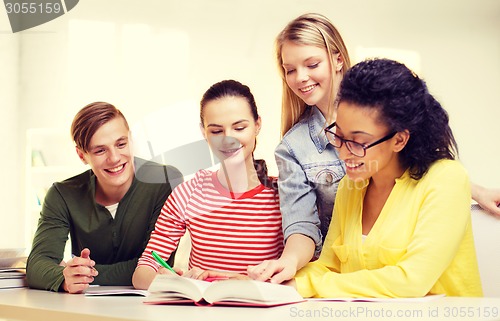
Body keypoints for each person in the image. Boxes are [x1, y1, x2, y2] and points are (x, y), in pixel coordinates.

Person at [248, 12, 500, 284]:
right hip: (348, 293)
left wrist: (472, 189)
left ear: (337, 59)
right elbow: (304, 228)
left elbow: (425, 167)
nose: (300, 78)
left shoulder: (395, 116)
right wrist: (284, 270)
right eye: (290, 70)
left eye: (312, 64)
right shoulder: (333, 175)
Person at [291, 58, 482, 298]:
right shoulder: (351, 186)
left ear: (399, 140)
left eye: (357, 142)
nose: (342, 151)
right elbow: (328, 267)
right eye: (338, 135)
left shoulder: (446, 179)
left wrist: (307, 286)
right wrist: (276, 281)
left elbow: (411, 281)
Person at [132, 80, 283, 290]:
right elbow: (143, 271)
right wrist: (168, 280)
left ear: (257, 125)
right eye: (216, 131)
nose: (228, 139)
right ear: (203, 132)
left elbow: (302, 273)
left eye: (239, 127)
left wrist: (248, 283)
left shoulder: (282, 196)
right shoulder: (188, 193)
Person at [26, 102, 182, 294]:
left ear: (131, 140)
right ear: (82, 155)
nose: (114, 158)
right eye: (100, 150)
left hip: (151, 306)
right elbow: (36, 265)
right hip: (84, 307)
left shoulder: (164, 181)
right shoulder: (62, 194)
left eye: (121, 144)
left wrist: (81, 274)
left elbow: (157, 264)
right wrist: (63, 278)